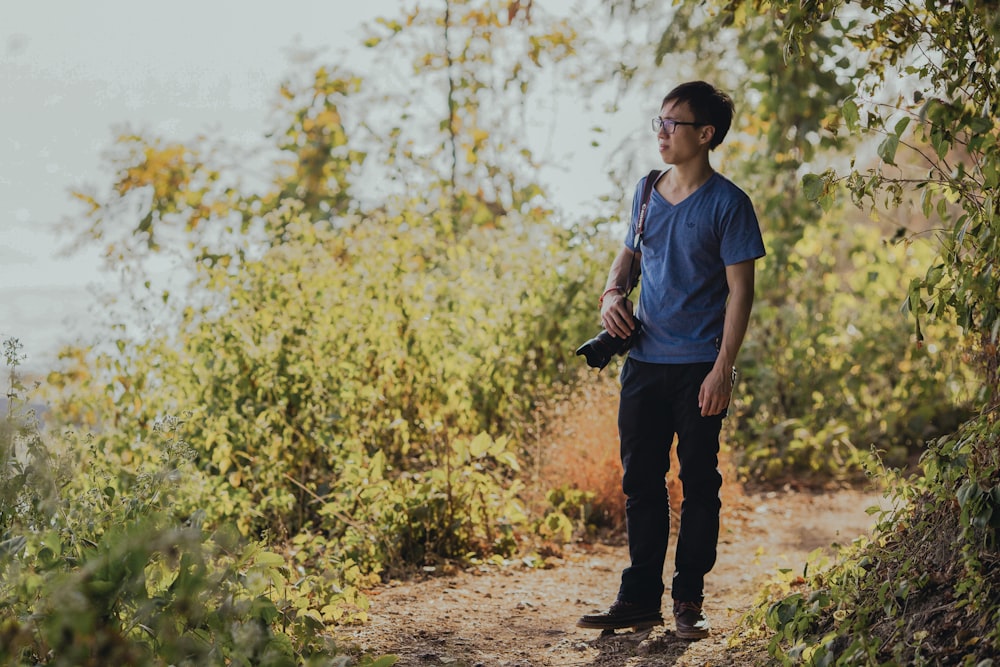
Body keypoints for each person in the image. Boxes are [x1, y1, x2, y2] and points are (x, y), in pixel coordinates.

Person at [577, 81, 765, 639]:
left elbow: (741, 293)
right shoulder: (645, 189)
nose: (660, 131)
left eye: (672, 123)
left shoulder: (729, 204)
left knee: (699, 484)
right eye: (657, 121)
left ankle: (688, 600)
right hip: (644, 365)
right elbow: (629, 256)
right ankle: (638, 599)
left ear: (704, 135)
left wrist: (722, 369)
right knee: (641, 484)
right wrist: (612, 294)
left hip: (699, 369)